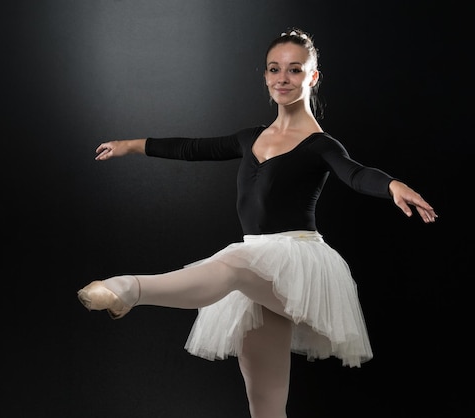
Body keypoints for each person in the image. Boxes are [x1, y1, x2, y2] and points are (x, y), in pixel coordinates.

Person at [78, 27, 438, 418]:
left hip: (297, 262)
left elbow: (355, 173)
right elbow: (191, 148)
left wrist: (391, 185)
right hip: (257, 260)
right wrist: (129, 146)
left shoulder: (321, 145)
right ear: (266, 76)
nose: (283, 78)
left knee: (231, 266)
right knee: (265, 405)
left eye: (295, 70)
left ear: (312, 77)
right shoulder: (249, 137)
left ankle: (128, 289)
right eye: (274, 69)